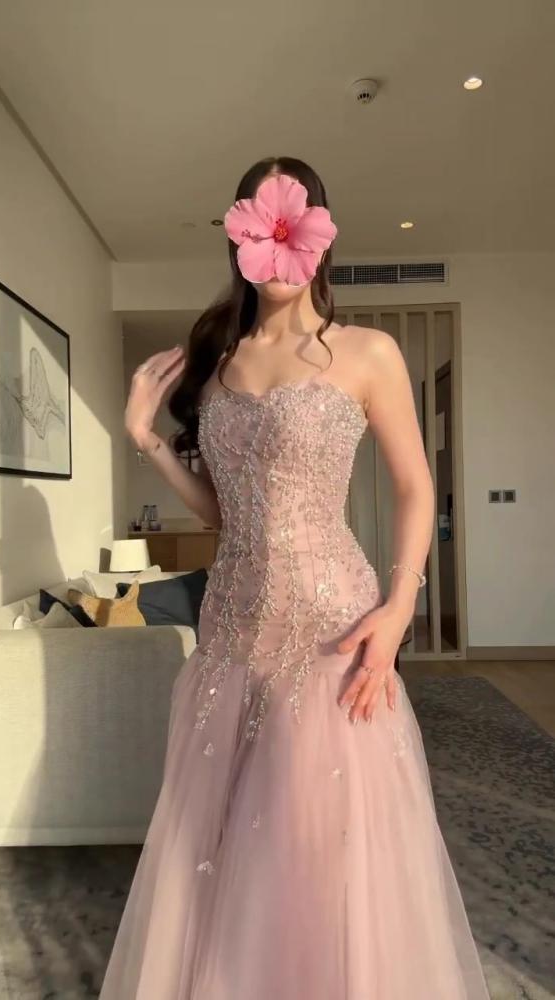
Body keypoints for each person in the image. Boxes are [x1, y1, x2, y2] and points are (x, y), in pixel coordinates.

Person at [99, 156, 490, 999]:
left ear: (317, 233)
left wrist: (400, 606)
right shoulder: (221, 362)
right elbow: (224, 512)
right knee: (221, 841)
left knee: (317, 836)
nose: (275, 243)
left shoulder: (367, 351)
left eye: (291, 218)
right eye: (259, 222)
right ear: (240, 235)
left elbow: (416, 487)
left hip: (331, 626)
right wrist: (147, 439)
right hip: (232, 625)